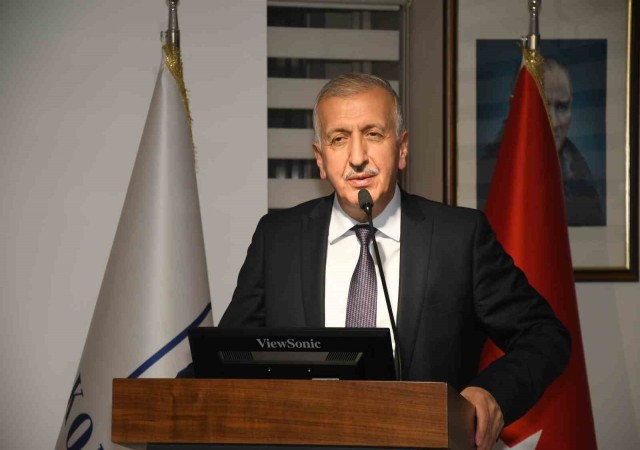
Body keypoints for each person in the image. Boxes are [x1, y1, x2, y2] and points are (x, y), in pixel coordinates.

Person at [219, 73, 570, 450]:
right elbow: (225, 357)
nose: (357, 158)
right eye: (339, 139)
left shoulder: (458, 238)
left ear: (401, 148)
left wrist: (492, 393)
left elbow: (544, 335)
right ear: (320, 159)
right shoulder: (278, 239)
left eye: (373, 134)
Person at [478, 58, 605, 226]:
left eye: (562, 107)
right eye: (541, 107)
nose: (554, 123)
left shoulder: (579, 176)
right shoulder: (488, 174)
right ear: (514, 106)